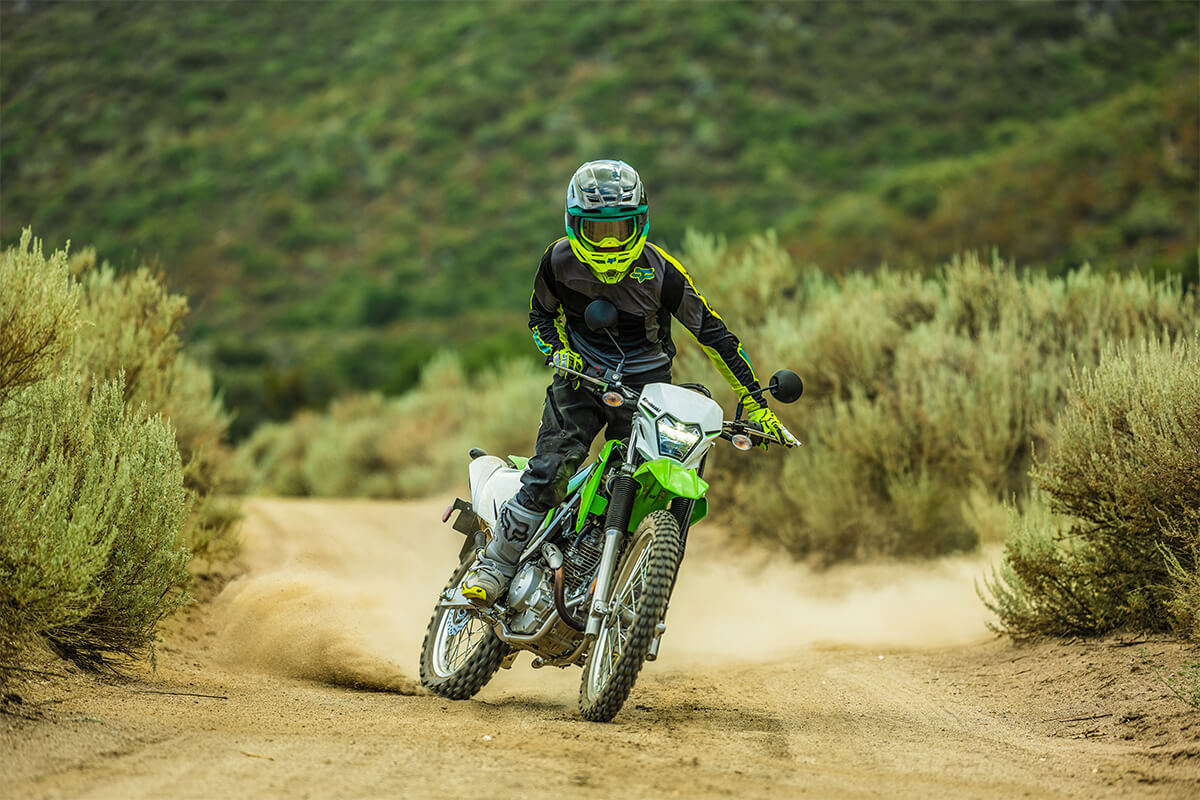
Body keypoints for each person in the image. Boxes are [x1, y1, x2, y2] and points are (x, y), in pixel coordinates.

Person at [462, 159, 798, 606]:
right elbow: (540, 316)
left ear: (638, 223)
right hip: (580, 380)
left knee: (655, 485)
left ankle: (622, 583)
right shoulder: (558, 261)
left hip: (647, 395)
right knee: (551, 471)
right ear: (574, 223)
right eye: (597, 230)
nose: (608, 241)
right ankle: (496, 566)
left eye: (620, 229)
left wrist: (756, 404)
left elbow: (714, 335)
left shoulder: (662, 271)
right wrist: (556, 351)